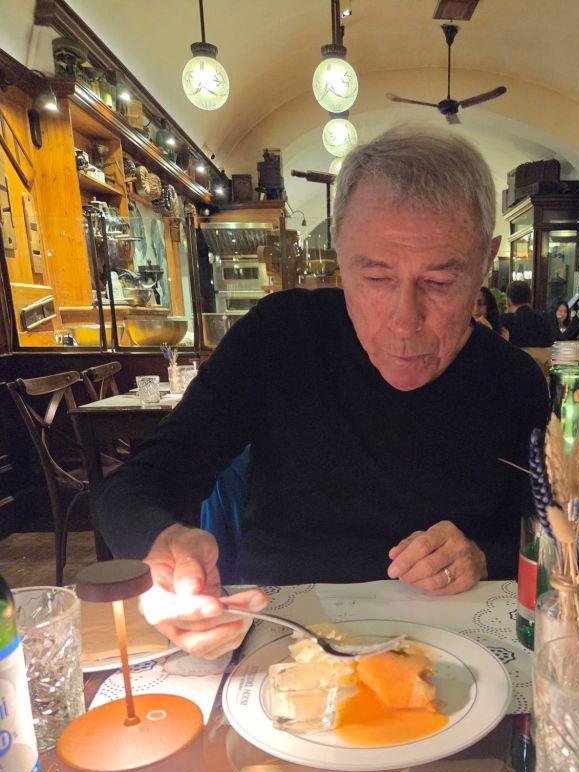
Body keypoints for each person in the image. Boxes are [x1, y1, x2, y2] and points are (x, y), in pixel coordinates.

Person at [96, 126, 549, 658]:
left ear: (486, 262)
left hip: (463, 649)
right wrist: (163, 546)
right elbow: (137, 483)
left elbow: (549, 542)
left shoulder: (514, 381)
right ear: (340, 250)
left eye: (440, 283)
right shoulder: (280, 336)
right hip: (282, 643)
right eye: (376, 278)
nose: (405, 322)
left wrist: (482, 556)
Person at [501, 281, 553, 375]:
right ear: (531, 299)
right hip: (544, 376)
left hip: (514, 375)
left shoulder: (504, 322)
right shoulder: (548, 320)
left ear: (508, 302)